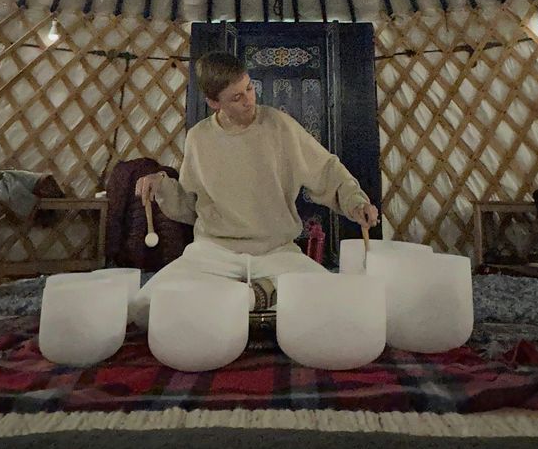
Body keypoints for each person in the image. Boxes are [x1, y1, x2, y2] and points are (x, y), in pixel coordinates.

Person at [130, 52, 378, 328]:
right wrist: (162, 185)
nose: (249, 100)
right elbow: (190, 206)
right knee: (145, 306)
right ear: (214, 103)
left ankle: (244, 298)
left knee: (340, 303)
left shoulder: (279, 126)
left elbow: (326, 170)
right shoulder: (199, 139)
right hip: (214, 254)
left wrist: (355, 202)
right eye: (236, 97)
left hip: (276, 253)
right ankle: (262, 296)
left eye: (249, 87)